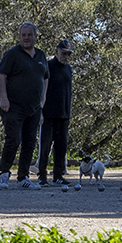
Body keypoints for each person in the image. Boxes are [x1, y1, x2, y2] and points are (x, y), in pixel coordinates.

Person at [0, 22, 49, 189]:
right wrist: (3, 98)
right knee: (14, 139)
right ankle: (4, 174)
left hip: (33, 108)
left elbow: (45, 78)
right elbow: (1, 75)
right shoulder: (12, 54)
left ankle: (23, 177)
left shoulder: (41, 55)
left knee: (29, 142)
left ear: (35, 36)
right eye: (23, 35)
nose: (26, 38)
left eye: (29, 35)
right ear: (19, 37)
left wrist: (42, 102)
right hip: (13, 106)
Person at [35, 39, 75, 188]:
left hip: (64, 114)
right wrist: (40, 111)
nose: (66, 56)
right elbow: (40, 89)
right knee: (45, 147)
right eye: (64, 53)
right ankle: (42, 176)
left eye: (68, 54)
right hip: (48, 113)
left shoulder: (68, 69)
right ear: (57, 51)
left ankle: (58, 175)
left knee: (61, 147)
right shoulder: (48, 66)